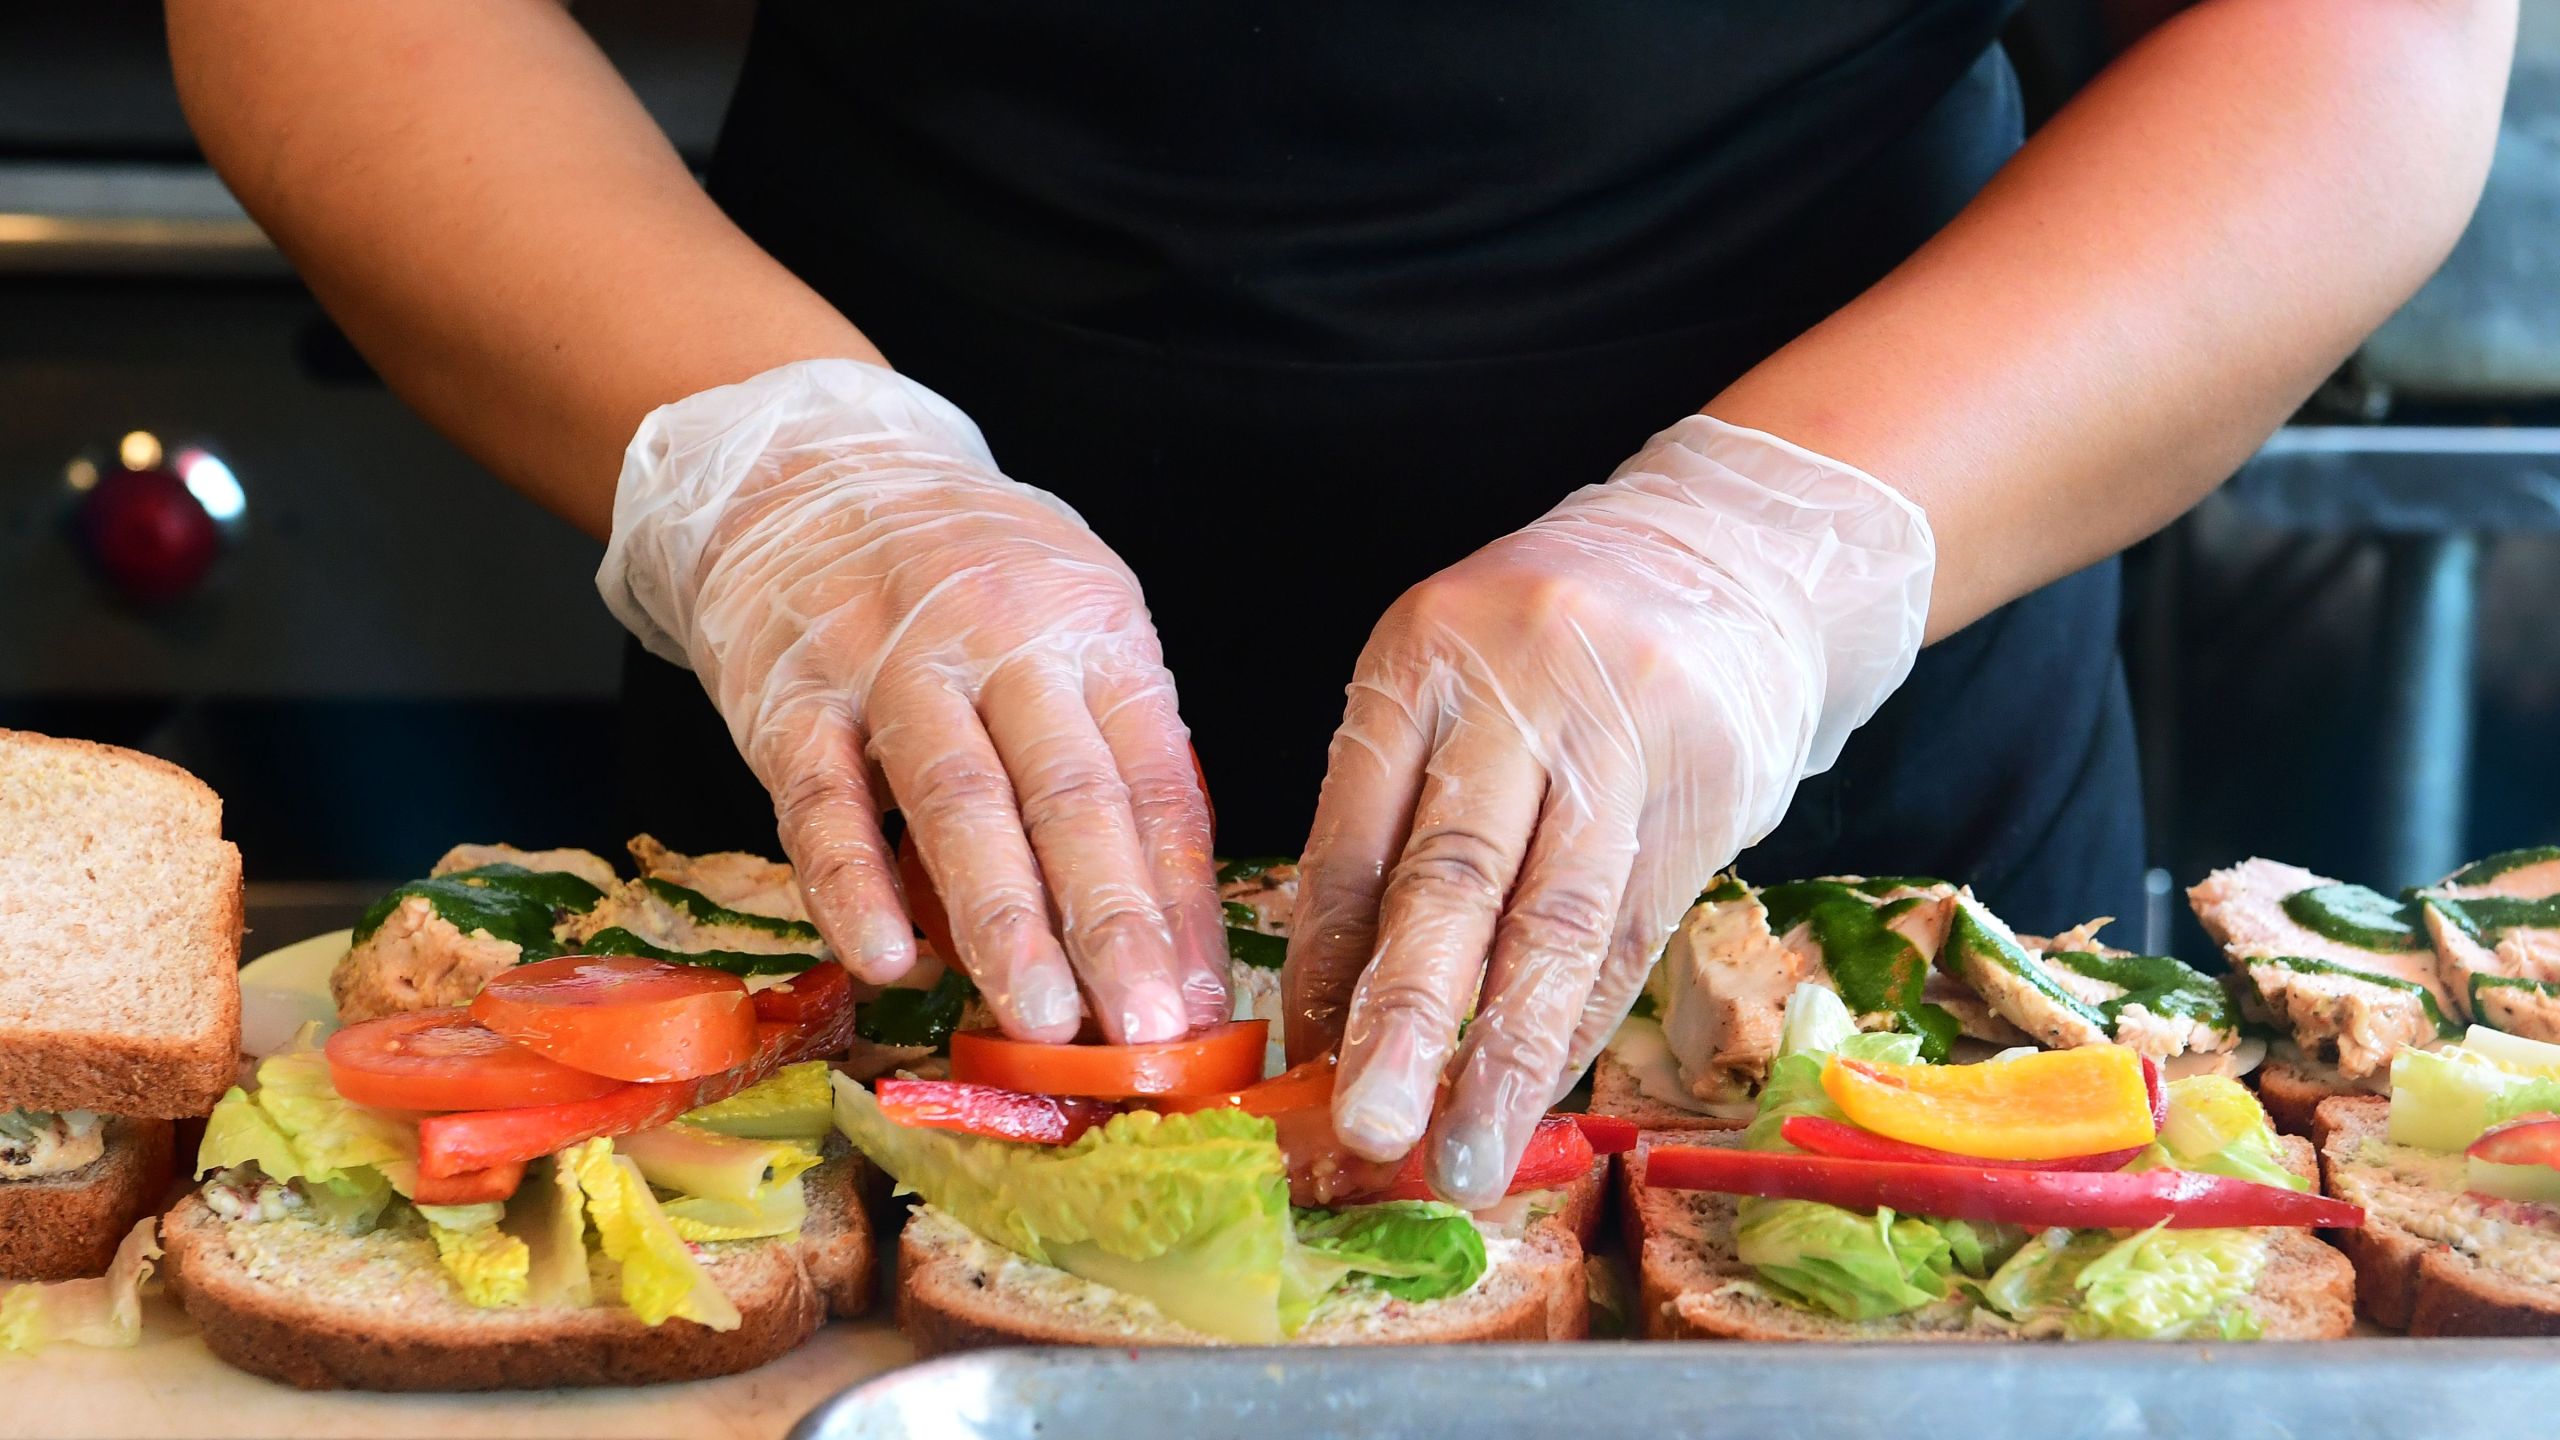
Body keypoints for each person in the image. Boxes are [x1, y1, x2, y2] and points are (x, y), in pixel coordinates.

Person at [169, 0, 2513, 1204]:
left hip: (1833, 786)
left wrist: (1769, 556)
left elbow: (2361, 37)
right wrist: (767, 473)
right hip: (871, 775)